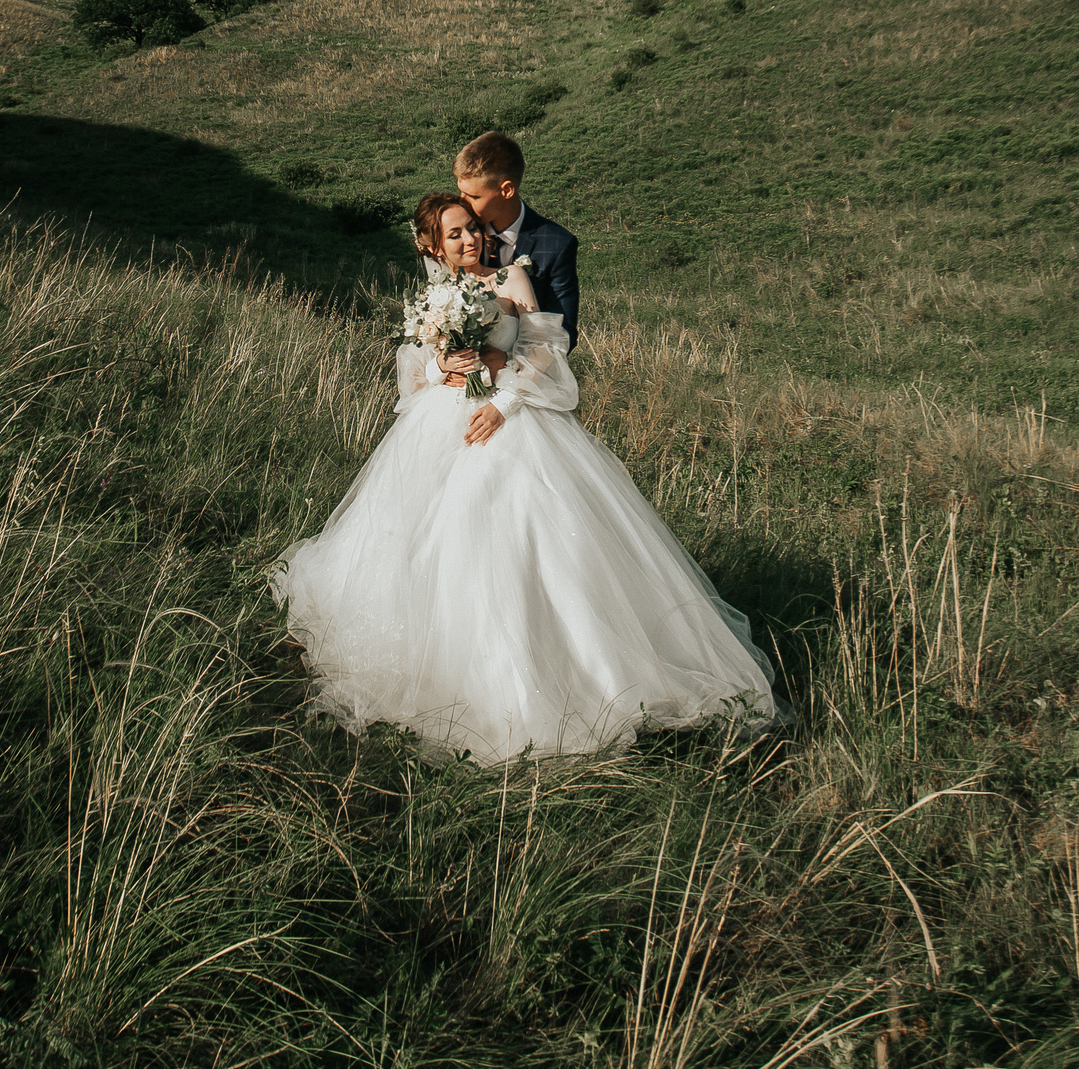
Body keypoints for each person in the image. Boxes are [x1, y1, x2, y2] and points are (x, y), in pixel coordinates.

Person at [270, 192, 776, 762]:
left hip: (510, 418)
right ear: (429, 245)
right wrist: (444, 365)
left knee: (534, 529)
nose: (469, 241)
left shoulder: (512, 279)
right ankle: (455, 664)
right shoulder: (432, 299)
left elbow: (548, 353)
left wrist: (503, 403)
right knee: (436, 541)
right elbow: (412, 377)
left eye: (473, 229)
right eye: (455, 234)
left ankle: (589, 667)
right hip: (442, 423)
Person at [455, 130, 579, 350]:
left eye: (473, 196)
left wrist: (515, 367)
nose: (462, 203)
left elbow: (565, 331)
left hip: (527, 372)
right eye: (461, 193)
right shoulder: (458, 234)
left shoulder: (557, 244)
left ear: (507, 190)